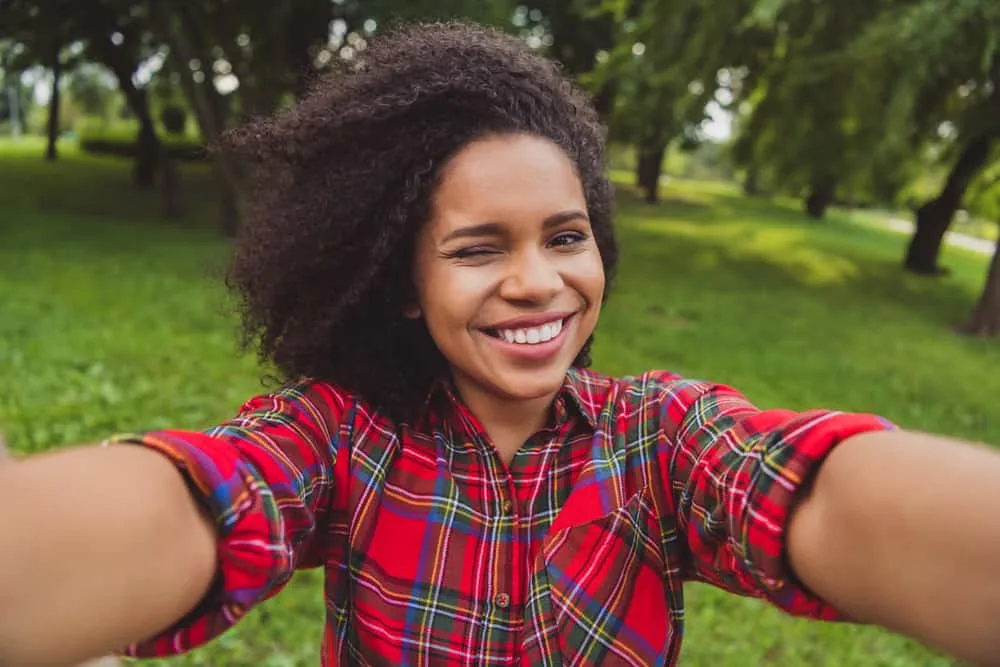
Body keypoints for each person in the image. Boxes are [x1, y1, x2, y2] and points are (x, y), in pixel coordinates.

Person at [1, 21, 999, 667]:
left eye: (565, 236)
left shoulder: (655, 438)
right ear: (401, 282)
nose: (537, 279)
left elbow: (809, 491)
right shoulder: (342, 438)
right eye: (478, 248)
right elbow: (213, 499)